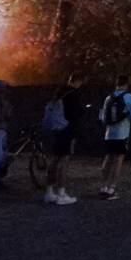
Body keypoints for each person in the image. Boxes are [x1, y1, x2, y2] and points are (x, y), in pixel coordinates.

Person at [40, 75, 83, 205]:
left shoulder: (59, 93)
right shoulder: (73, 94)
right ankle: (61, 194)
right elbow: (73, 115)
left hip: (55, 130)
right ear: (78, 81)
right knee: (64, 162)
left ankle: (49, 192)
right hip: (66, 131)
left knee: (54, 161)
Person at [98, 74, 131, 200]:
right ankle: (112, 188)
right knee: (118, 160)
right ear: (126, 84)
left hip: (109, 133)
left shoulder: (108, 98)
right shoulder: (129, 97)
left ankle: (103, 187)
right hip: (122, 133)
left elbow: (103, 117)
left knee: (108, 158)